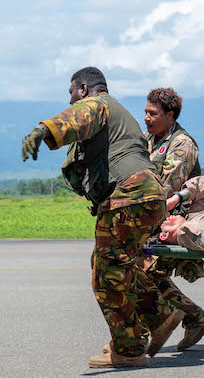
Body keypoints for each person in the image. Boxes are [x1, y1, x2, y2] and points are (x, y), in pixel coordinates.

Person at [21, 67, 184, 368]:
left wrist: (43, 130)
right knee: (113, 263)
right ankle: (159, 315)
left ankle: (129, 349)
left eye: (72, 95)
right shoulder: (121, 114)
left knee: (106, 275)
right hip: (147, 196)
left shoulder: (99, 103)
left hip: (130, 196)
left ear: (83, 89)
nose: (72, 102)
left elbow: (78, 117)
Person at [143, 87, 204, 352]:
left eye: (153, 113)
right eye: (145, 112)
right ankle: (195, 317)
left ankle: (134, 338)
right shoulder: (148, 140)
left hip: (178, 221)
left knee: (138, 269)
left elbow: (166, 190)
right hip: (154, 218)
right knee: (142, 271)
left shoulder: (182, 144)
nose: (147, 118)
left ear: (170, 115)